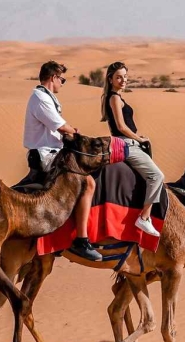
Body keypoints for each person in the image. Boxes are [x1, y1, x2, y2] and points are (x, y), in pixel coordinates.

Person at [23, 60, 102, 262]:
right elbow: (59, 125)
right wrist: (74, 131)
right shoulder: (40, 98)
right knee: (87, 183)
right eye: (62, 79)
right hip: (45, 155)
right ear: (53, 77)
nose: (62, 83)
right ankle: (82, 240)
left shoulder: (45, 97)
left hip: (53, 151)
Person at [100, 62, 165, 239]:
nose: (123, 80)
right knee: (157, 176)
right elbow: (121, 126)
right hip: (126, 143)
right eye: (118, 77)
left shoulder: (118, 97)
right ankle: (144, 217)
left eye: (125, 76)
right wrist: (139, 139)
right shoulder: (114, 98)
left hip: (129, 141)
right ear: (110, 79)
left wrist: (137, 136)